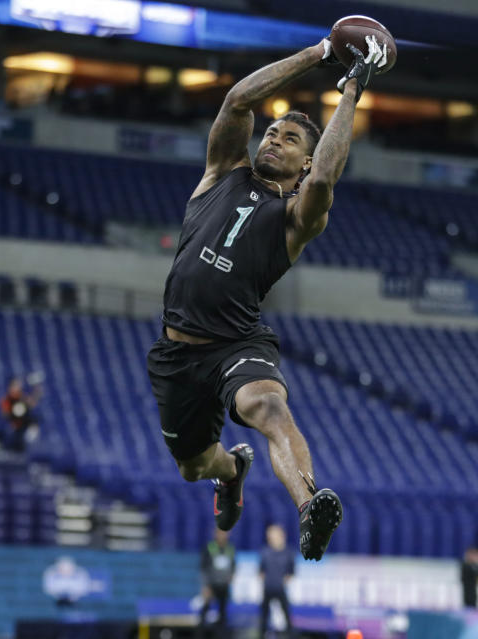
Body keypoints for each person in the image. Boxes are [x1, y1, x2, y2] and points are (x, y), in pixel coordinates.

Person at [147, 27, 390, 561]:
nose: (275, 138)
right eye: (273, 132)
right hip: (177, 351)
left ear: (304, 162)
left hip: (236, 342)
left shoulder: (294, 218)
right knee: (192, 467)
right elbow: (238, 100)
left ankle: (309, 507)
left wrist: (350, 90)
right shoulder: (221, 172)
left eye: (290, 139)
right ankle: (232, 472)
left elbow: (324, 182)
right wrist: (319, 54)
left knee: (270, 408)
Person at [259, 524, 296, 638]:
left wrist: (284, 580)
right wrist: (266, 580)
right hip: (268, 587)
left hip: (280, 588)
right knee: (264, 614)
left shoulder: (288, 553)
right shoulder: (265, 552)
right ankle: (263, 634)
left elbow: (291, 570)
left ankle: (290, 634)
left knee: (286, 612)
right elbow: (261, 570)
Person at [199, 528, 236, 638]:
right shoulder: (209, 547)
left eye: (224, 533)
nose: (222, 535)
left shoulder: (230, 548)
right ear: (215, 534)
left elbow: (233, 565)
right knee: (205, 612)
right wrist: (206, 586)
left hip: (224, 585)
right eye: (220, 533)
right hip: (211, 585)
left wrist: (232, 576)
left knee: (223, 613)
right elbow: (203, 568)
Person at [0, 376, 42, 451]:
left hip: (24, 426)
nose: (18, 387)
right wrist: (13, 413)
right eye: (16, 385)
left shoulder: (21, 397)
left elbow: (32, 403)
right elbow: (5, 414)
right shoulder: (7, 399)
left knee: (34, 421)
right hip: (15, 427)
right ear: (11, 386)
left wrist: (37, 390)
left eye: (18, 385)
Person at [460, 544, 478, 609]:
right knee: (468, 604)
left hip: (474, 592)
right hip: (467, 592)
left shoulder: (477, 566)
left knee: (473, 604)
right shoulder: (465, 565)